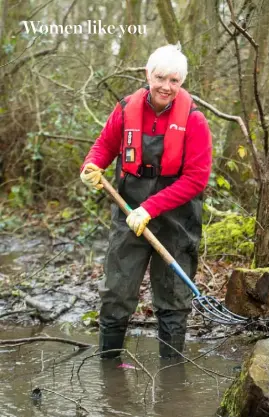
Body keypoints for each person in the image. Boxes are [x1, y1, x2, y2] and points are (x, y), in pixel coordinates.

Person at [80, 45, 212, 358]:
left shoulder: (194, 121)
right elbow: (103, 147)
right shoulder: (126, 108)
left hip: (177, 217)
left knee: (173, 295)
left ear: (182, 82)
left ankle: (170, 376)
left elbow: (196, 179)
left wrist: (150, 208)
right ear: (147, 75)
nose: (167, 86)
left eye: (175, 80)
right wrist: (91, 165)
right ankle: (110, 367)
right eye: (161, 77)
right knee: (117, 289)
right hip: (129, 210)